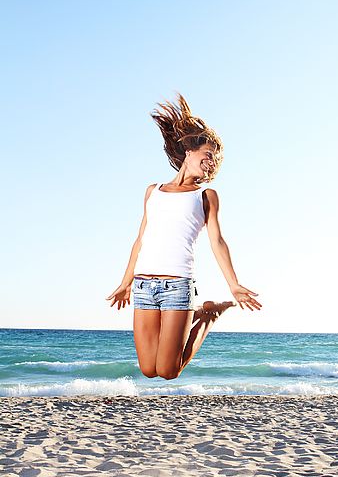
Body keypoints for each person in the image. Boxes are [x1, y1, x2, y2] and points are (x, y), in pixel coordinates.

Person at [106, 93, 262, 380]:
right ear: (190, 151)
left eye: (215, 159)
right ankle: (205, 313)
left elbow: (217, 241)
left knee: (168, 371)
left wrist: (234, 284)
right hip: (143, 285)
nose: (212, 161)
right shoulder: (153, 191)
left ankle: (208, 316)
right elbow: (140, 240)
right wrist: (125, 283)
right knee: (148, 369)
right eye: (208, 154)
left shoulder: (206, 196)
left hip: (177, 284)